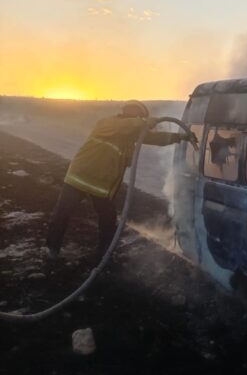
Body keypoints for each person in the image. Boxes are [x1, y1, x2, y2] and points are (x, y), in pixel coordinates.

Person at [45, 100, 197, 262]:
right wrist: (146, 121)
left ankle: (105, 253)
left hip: (100, 186)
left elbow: (155, 138)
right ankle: (51, 249)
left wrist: (180, 137)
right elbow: (127, 125)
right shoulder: (108, 123)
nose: (140, 121)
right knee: (62, 213)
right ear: (131, 113)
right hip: (79, 178)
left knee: (108, 219)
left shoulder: (130, 133)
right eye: (139, 117)